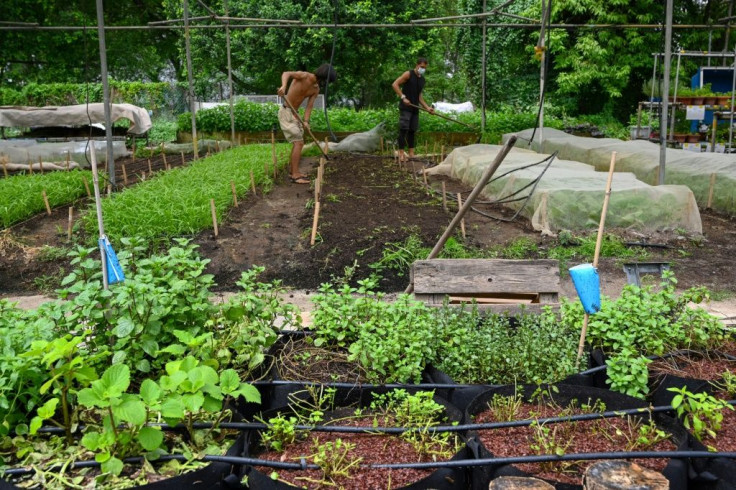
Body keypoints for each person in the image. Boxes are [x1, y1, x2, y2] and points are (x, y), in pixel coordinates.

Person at [277, 64, 337, 184]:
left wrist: (306, 121)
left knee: (298, 143)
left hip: (295, 115)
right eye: (326, 80)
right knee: (298, 143)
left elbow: (309, 107)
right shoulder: (304, 76)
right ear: (323, 76)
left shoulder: (315, 89)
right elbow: (286, 73)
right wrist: (284, 86)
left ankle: (294, 171)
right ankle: (295, 175)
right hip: (286, 112)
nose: (325, 83)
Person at [391, 57, 434, 163]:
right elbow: (395, 84)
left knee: (412, 131)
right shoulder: (408, 74)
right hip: (406, 108)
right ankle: (401, 153)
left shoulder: (422, 80)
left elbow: (419, 97)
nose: (423, 69)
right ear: (417, 65)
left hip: (415, 109)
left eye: (425, 68)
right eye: (422, 67)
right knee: (404, 129)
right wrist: (403, 97)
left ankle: (411, 153)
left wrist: (427, 108)